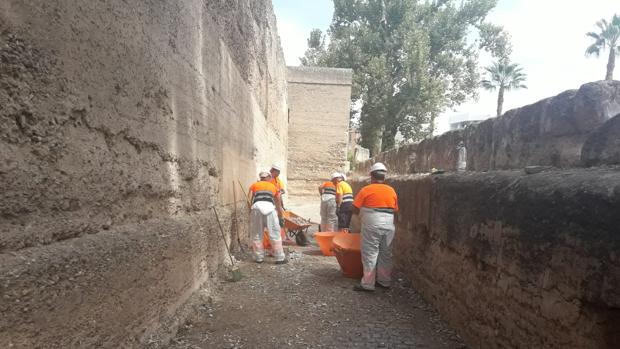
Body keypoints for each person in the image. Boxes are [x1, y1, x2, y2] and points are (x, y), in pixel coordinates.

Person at [351, 163, 398, 292]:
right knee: (386, 253)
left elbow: (354, 208)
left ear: (371, 176)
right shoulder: (391, 190)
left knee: (370, 253)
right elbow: (395, 210)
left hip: (372, 222)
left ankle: (367, 283)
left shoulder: (366, 190)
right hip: (389, 223)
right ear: (384, 177)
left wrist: (357, 222)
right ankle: (384, 281)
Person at [248, 171, 287, 264]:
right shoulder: (273, 187)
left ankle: (258, 257)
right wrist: (281, 216)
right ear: (268, 177)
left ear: (260, 177)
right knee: (274, 233)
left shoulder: (254, 185)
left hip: (256, 209)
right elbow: (278, 203)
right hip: (270, 209)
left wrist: (251, 212)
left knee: (257, 233)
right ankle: (279, 257)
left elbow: (249, 200)